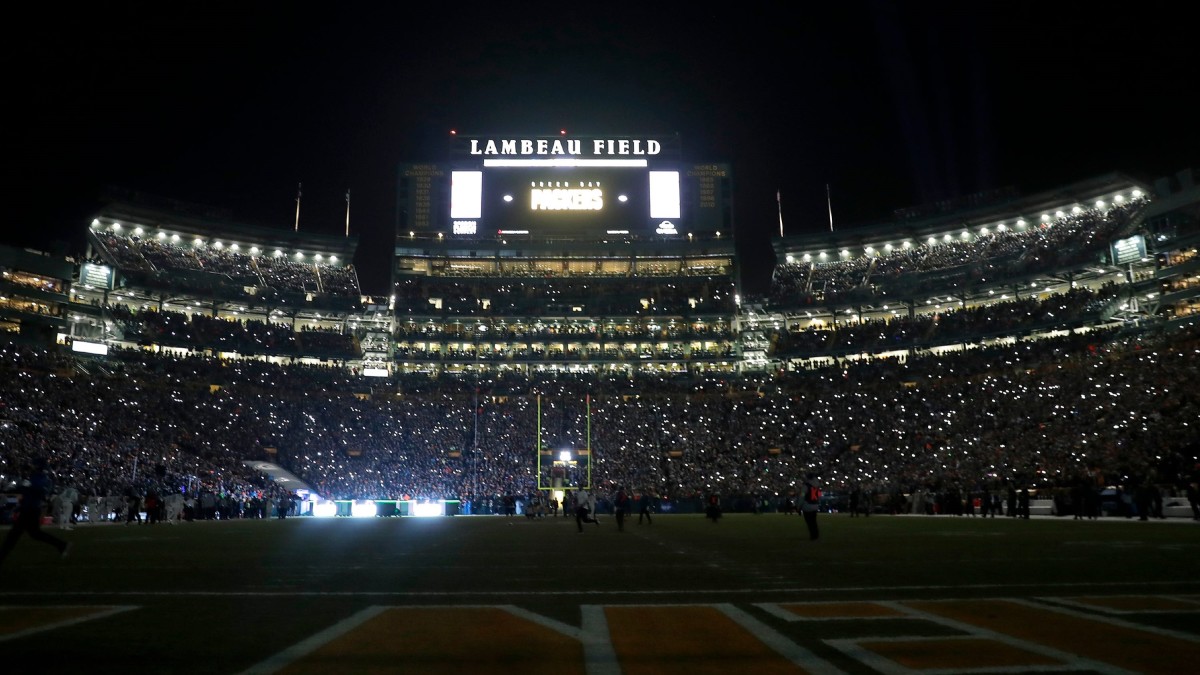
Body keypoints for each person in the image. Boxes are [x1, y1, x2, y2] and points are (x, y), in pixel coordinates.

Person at [0, 459, 71, 567]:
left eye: (33, 465)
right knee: (34, 534)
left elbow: (41, 490)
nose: (31, 466)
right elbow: (27, 491)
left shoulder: (40, 478)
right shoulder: (35, 477)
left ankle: (1, 557)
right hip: (29, 509)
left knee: (14, 535)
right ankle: (61, 544)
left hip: (30, 510)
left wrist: (27, 486)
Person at [801, 473, 821, 541]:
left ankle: (813, 535)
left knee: (809, 522)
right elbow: (819, 495)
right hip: (815, 505)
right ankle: (816, 535)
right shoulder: (817, 486)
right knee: (814, 521)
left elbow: (802, 495)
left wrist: (799, 505)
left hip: (807, 505)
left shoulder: (806, 486)